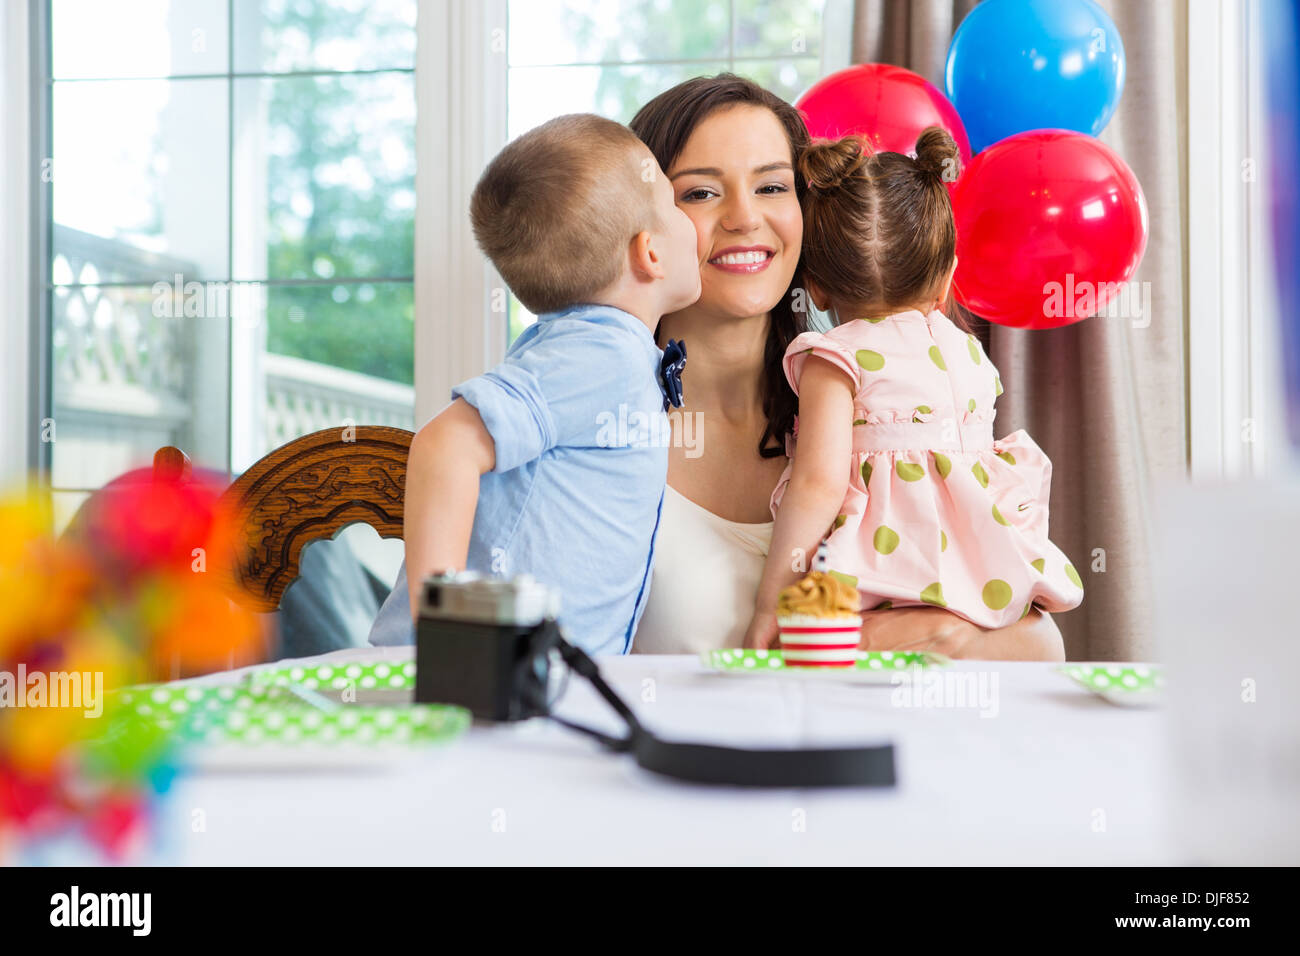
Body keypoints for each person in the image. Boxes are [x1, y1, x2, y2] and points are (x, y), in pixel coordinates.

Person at [628, 74, 1066, 660]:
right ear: (645, 225)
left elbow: (1042, 646)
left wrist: (910, 634)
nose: (743, 218)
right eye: (702, 193)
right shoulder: (604, 429)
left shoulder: (881, 400)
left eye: (772, 187)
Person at [367, 113, 700, 654]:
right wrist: (444, 629)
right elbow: (444, 445)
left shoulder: (585, 345)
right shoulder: (601, 354)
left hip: (527, 684)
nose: (693, 221)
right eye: (676, 202)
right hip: (469, 678)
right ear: (651, 252)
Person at [742, 128, 1083, 651]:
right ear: (947, 279)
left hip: (877, 572)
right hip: (976, 572)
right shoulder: (968, 354)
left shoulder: (836, 356)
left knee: (814, 656)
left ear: (815, 285)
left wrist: (771, 603)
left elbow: (817, 484)